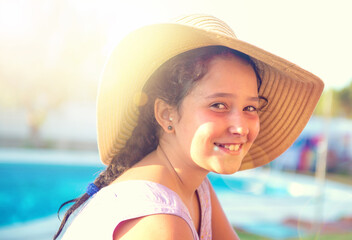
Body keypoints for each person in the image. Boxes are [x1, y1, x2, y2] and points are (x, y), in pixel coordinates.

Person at [54, 14, 324, 240]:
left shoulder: (196, 188)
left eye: (250, 108)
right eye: (218, 105)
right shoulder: (157, 222)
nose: (240, 127)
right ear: (165, 113)